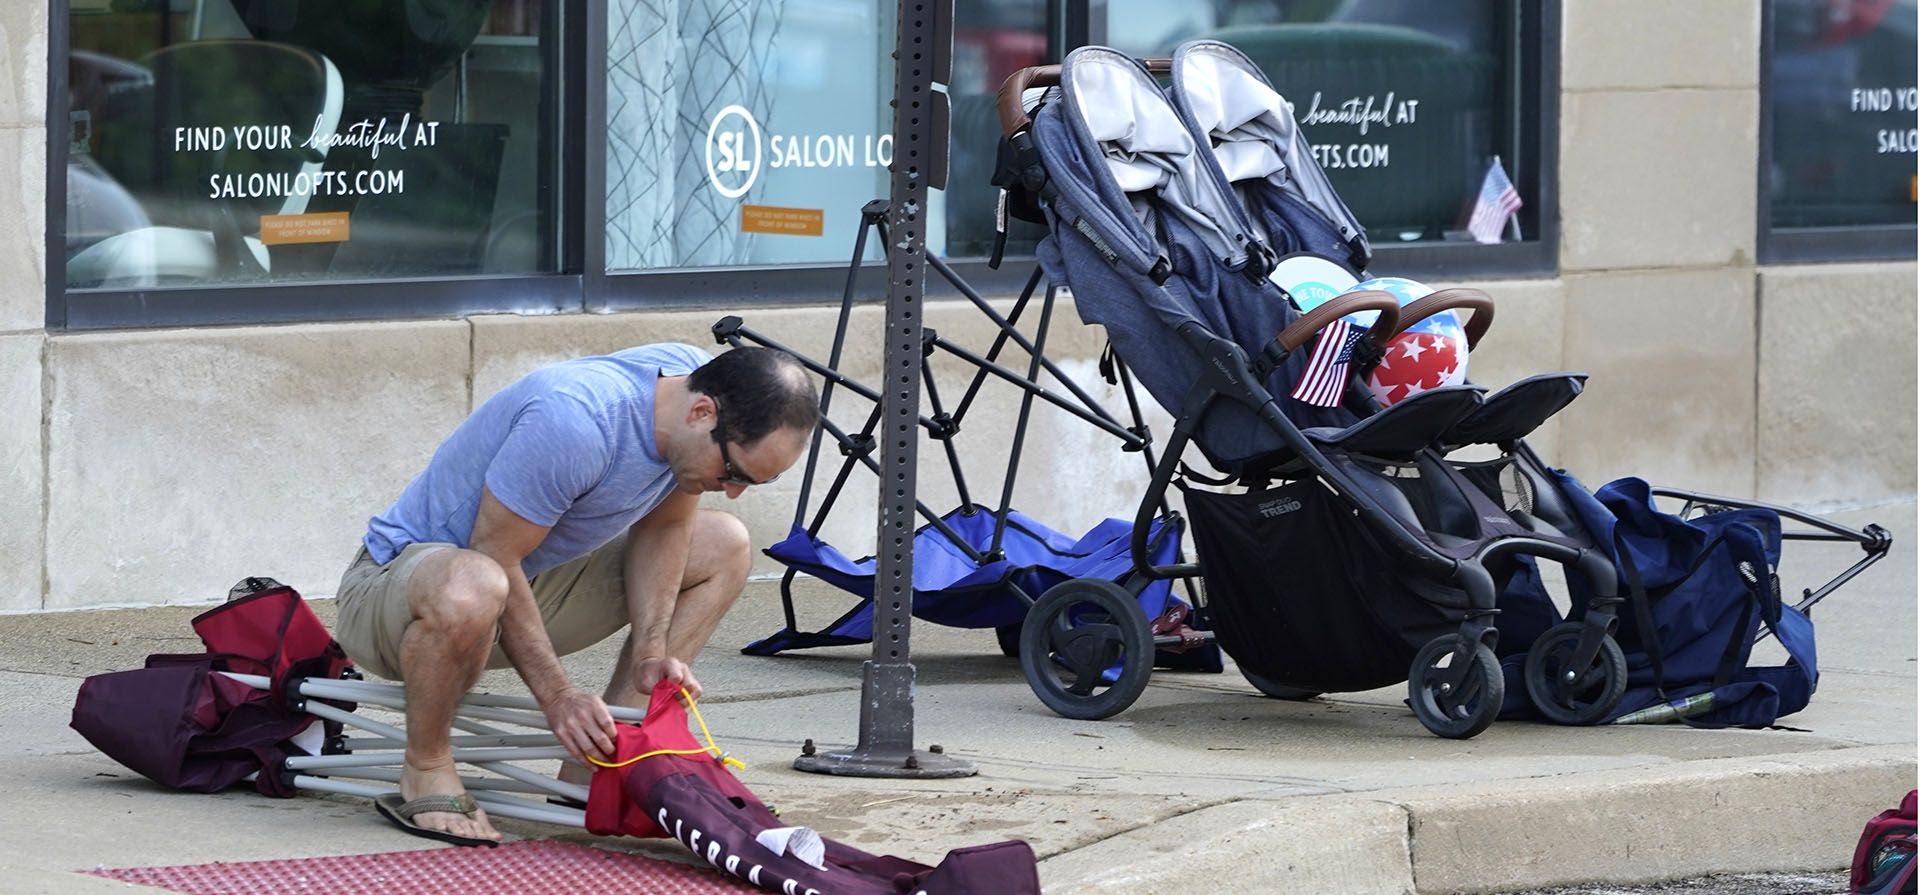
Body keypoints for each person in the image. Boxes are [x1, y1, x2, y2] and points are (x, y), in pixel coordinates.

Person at [333, 343, 817, 846]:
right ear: (702, 413)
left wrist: (652, 652)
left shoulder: (695, 393)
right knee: (476, 581)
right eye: (733, 473)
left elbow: (667, 528)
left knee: (726, 545)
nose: (733, 491)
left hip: (517, 585)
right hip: (401, 595)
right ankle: (425, 765)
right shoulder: (576, 420)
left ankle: (603, 767)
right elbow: (494, 553)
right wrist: (559, 697)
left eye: (752, 482)